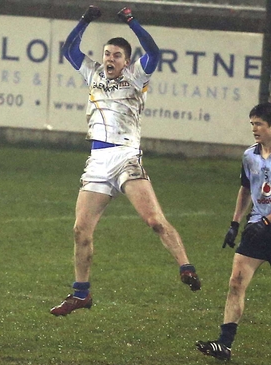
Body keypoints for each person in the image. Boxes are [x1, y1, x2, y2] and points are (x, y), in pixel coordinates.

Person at [50, 5, 201, 316]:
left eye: (117, 55)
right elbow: (69, 49)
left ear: (127, 61)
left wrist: (132, 22)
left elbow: (154, 52)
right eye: (107, 54)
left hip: (125, 157)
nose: (110, 59)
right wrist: (85, 19)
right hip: (98, 161)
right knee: (81, 229)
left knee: (154, 221)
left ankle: (185, 266)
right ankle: (81, 293)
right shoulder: (92, 73)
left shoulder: (136, 75)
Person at [195, 102, 271, 362]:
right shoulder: (249, 156)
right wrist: (235, 223)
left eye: (259, 124)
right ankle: (224, 345)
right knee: (236, 282)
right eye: (252, 124)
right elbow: (245, 189)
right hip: (256, 228)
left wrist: (267, 222)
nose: (254, 129)